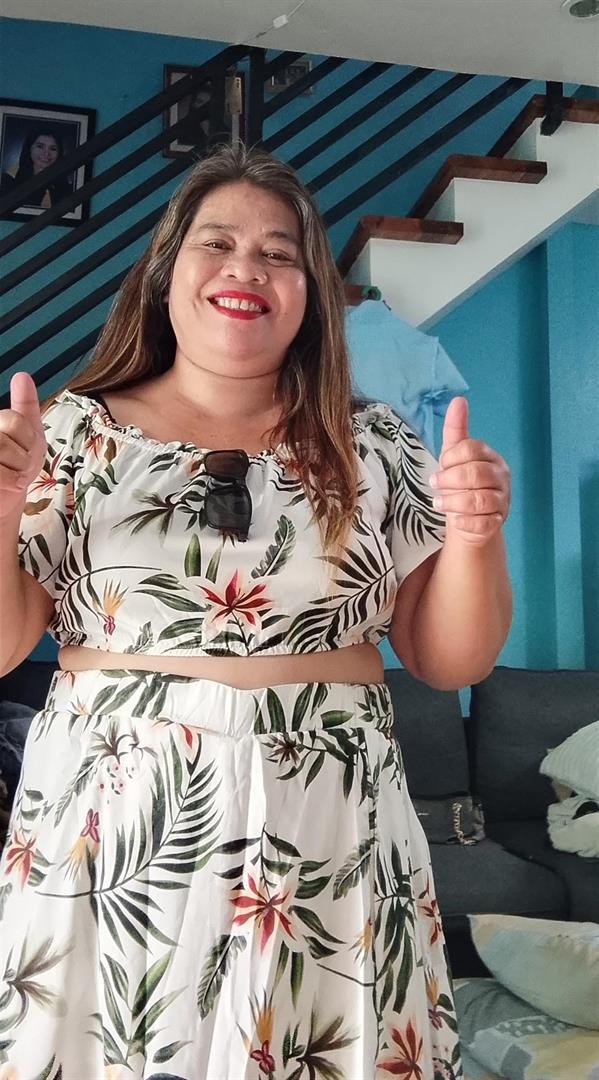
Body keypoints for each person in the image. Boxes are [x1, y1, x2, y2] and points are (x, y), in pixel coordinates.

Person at [0, 143, 511, 1079]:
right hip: (115, 816)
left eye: (280, 254)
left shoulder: (374, 443)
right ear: (166, 273)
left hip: (330, 811)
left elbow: (450, 661)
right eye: (218, 243)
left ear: (310, 294)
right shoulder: (68, 432)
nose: (247, 268)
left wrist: (476, 533)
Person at [0, 126, 73, 208]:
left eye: (52, 149)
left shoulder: (68, 189)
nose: (46, 154)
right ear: (29, 148)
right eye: (40, 146)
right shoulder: (8, 183)